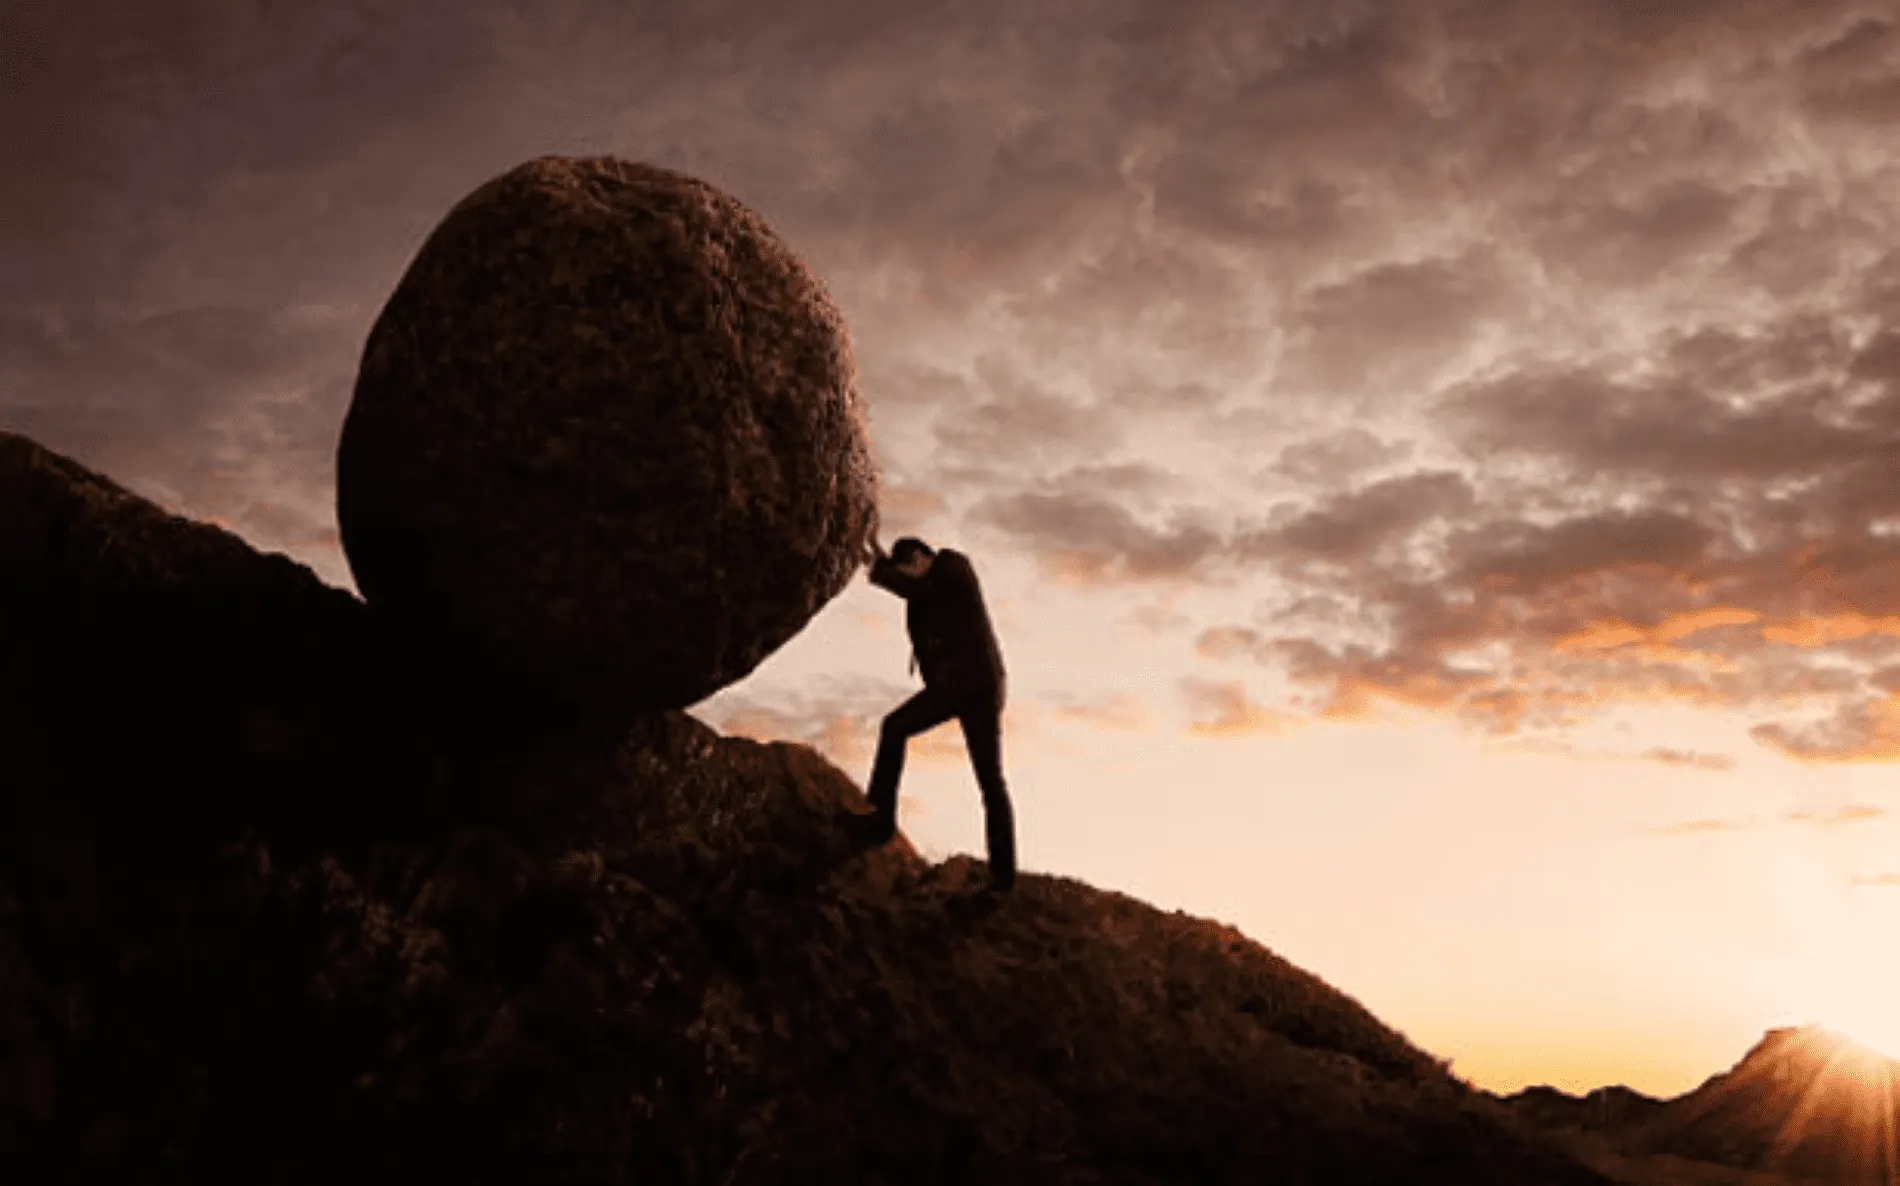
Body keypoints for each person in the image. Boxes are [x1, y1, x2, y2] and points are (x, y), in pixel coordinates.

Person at [856, 534, 1015, 892]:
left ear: (918, 558)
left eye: (907, 572)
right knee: (894, 728)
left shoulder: (953, 565)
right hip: (949, 689)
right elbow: (915, 595)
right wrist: (882, 562)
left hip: (978, 688)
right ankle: (880, 820)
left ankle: (1002, 877)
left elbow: (919, 590)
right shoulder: (922, 592)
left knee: (990, 781)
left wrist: (876, 567)